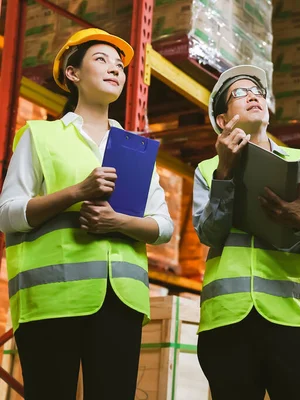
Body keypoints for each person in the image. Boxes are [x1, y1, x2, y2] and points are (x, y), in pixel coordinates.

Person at [0, 28, 173, 400]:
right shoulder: (40, 136)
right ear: (72, 74)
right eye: (101, 59)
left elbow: (163, 226)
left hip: (121, 301)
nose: (115, 69)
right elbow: (7, 214)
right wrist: (77, 192)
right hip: (51, 300)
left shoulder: (137, 150)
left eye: (119, 65)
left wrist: (118, 222)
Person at [193, 65, 300, 400]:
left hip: (291, 318)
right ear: (222, 120)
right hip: (227, 320)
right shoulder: (208, 169)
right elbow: (209, 233)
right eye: (239, 93)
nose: (253, 96)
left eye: (258, 92)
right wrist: (224, 174)